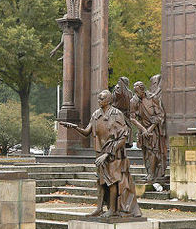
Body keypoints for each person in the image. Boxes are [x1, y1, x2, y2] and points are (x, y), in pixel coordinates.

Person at [60, 90, 141, 218]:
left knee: (112, 180)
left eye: (101, 99)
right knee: (101, 181)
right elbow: (87, 132)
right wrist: (75, 127)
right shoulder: (96, 114)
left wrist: (108, 154)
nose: (99, 101)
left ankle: (113, 209)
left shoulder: (117, 114)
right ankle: (99, 208)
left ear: (108, 100)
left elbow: (123, 137)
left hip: (114, 153)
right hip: (100, 151)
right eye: (98, 99)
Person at [130, 81, 167, 181]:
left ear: (142, 90)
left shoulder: (152, 98)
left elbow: (160, 115)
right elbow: (132, 117)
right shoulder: (133, 101)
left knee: (153, 151)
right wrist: (143, 129)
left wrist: (150, 129)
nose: (137, 95)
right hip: (142, 129)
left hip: (153, 130)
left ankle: (153, 174)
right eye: (135, 93)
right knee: (145, 152)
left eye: (138, 92)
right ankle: (149, 172)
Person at [112, 76, 133, 147]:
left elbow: (130, 102)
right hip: (118, 111)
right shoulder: (119, 91)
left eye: (120, 82)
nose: (118, 83)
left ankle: (126, 141)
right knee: (121, 126)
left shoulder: (127, 92)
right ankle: (122, 141)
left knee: (127, 126)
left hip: (125, 112)